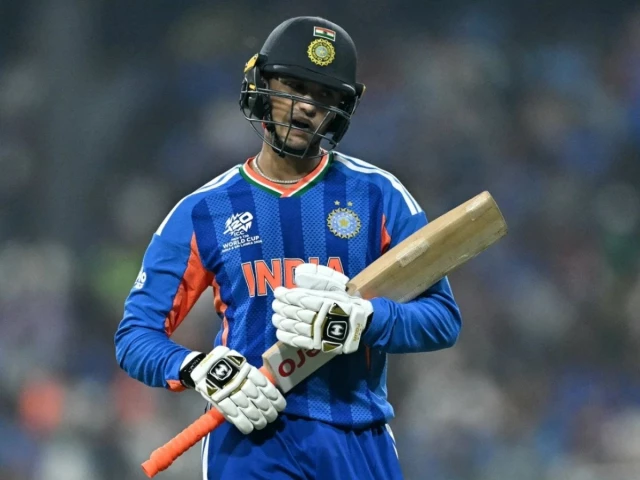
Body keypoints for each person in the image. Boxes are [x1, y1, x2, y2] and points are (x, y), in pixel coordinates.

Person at [114, 16, 462, 479]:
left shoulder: (380, 195)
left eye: (324, 96)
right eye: (294, 87)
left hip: (357, 437)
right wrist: (197, 367)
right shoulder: (202, 211)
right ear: (262, 86)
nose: (306, 108)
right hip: (248, 441)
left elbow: (442, 320)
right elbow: (135, 336)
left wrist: (362, 321)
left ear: (341, 109)